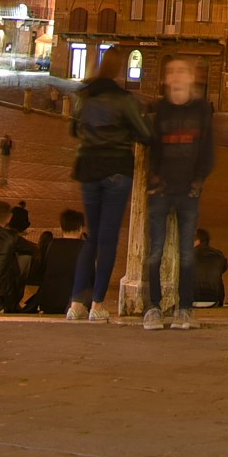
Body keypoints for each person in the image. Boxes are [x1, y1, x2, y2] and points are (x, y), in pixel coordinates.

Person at [66, 52, 152, 323]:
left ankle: (76, 304)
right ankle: (97, 304)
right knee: (108, 239)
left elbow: (74, 129)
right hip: (116, 169)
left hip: (89, 168)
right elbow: (145, 134)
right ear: (119, 70)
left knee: (92, 237)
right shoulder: (124, 99)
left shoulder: (85, 95)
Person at [141, 56, 216, 330]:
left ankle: (184, 309)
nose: (176, 76)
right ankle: (153, 308)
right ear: (165, 78)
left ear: (190, 77)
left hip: (188, 191)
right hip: (161, 191)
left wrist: (198, 181)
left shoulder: (201, 110)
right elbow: (151, 147)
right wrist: (154, 178)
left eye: (181, 71)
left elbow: (208, 151)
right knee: (155, 251)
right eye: (171, 71)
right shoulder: (158, 110)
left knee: (187, 252)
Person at [23, 210, 87, 315]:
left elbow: (40, 273)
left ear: (61, 227)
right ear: (80, 228)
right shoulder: (86, 248)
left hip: (49, 302)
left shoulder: (50, 245)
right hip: (75, 304)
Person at [191, 229, 228, 308]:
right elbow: (224, 269)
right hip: (214, 301)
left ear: (197, 241)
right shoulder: (219, 255)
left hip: (191, 301)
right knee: (218, 278)